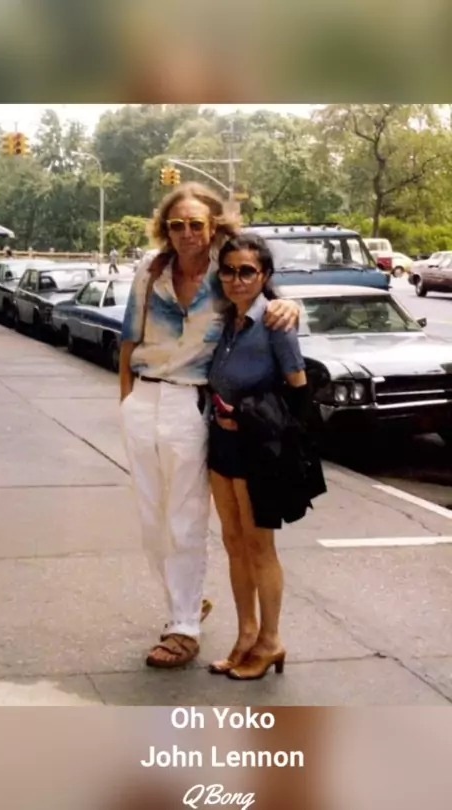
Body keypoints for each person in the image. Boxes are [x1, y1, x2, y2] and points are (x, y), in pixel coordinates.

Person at [119, 182, 301, 669]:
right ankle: (187, 597)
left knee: (185, 518)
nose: (186, 233)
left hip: (191, 402)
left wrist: (293, 306)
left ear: (213, 225)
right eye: (176, 224)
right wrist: (127, 402)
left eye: (196, 224)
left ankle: (182, 626)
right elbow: (129, 339)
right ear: (166, 228)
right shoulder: (150, 269)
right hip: (144, 398)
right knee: (151, 521)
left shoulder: (228, 271)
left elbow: (269, 302)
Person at [207, 232, 326, 680]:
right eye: (228, 270)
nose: (236, 279)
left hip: (258, 450)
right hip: (221, 444)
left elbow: (298, 393)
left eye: (247, 271)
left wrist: (256, 421)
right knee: (233, 542)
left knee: (259, 546)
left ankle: (271, 640)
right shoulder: (230, 321)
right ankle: (246, 634)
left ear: (265, 275)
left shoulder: (276, 322)